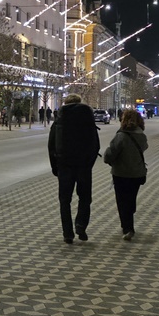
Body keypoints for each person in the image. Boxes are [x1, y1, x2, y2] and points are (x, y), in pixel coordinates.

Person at [47, 94, 100, 244]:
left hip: (64, 164)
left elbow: (51, 146)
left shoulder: (59, 121)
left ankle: (67, 233)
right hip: (83, 165)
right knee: (85, 197)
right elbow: (95, 144)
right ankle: (81, 224)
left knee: (65, 200)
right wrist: (89, 162)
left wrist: (55, 166)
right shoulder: (87, 118)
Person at [103, 110, 148, 241]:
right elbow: (144, 147)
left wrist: (107, 156)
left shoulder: (121, 136)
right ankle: (129, 219)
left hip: (121, 173)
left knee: (122, 201)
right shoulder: (141, 135)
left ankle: (127, 228)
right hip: (137, 172)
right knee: (131, 198)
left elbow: (111, 153)